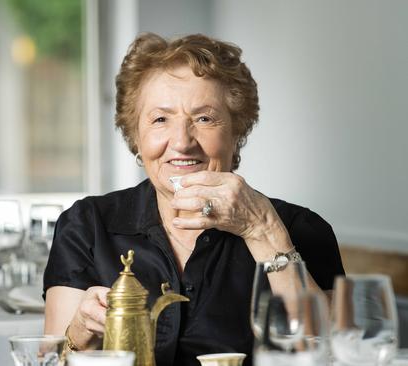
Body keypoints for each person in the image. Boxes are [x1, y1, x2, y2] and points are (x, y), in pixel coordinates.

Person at [43, 33, 344, 366]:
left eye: (204, 119)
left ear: (236, 132)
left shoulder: (300, 228)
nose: (182, 142)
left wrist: (263, 231)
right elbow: (48, 361)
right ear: (136, 137)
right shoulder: (87, 225)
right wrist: (81, 332)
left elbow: (332, 355)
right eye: (160, 119)